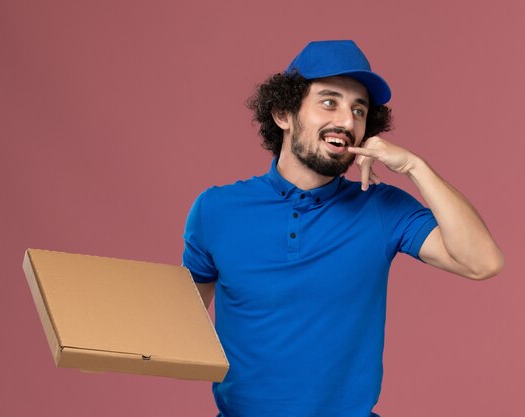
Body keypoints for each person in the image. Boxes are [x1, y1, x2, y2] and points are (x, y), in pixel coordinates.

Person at [182, 40, 504, 417]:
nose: (347, 121)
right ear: (284, 113)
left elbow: (482, 262)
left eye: (359, 110)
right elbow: (181, 322)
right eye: (329, 102)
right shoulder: (216, 210)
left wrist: (416, 168)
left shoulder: (382, 207)